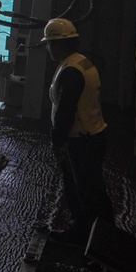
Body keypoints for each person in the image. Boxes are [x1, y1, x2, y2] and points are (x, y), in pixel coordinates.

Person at [42, 18, 114, 246]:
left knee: (85, 193)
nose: (48, 48)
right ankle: (87, 234)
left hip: (81, 141)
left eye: (50, 43)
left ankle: (97, 243)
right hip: (93, 134)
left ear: (59, 45)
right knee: (87, 189)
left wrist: (57, 140)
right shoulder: (82, 62)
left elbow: (66, 111)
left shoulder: (70, 71)